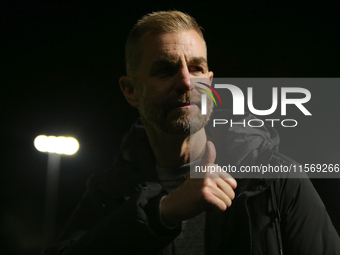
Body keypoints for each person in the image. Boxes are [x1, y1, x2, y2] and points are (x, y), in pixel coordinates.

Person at [44, 10, 340, 255]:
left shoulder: (274, 177)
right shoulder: (108, 190)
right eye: (165, 70)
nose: (186, 82)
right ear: (131, 90)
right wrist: (162, 213)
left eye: (197, 68)